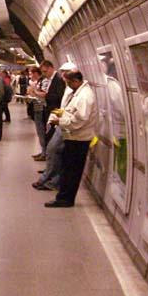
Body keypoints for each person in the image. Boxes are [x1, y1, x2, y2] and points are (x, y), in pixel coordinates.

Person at [45, 70, 97, 208]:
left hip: (79, 139)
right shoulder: (78, 93)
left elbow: (80, 120)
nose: (68, 86)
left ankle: (65, 199)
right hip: (73, 137)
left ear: (75, 81)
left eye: (69, 83)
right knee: (68, 169)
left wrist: (60, 122)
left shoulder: (85, 97)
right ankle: (63, 196)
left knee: (72, 171)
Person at [32, 62, 77, 191]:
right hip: (58, 119)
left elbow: (57, 99)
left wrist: (45, 96)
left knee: (54, 149)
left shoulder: (62, 84)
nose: (64, 77)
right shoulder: (66, 86)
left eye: (66, 74)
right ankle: (49, 177)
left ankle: (50, 179)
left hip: (63, 123)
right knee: (53, 150)